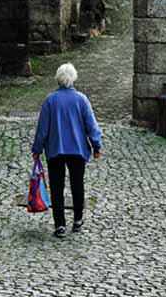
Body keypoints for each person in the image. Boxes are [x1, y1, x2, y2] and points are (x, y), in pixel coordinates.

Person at [32, 62, 102, 239]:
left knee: (57, 187)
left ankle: (60, 225)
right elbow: (91, 126)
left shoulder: (50, 100)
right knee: (77, 185)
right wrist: (96, 146)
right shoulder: (81, 99)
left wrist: (37, 148)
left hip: (55, 149)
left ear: (58, 78)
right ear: (73, 78)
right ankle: (77, 220)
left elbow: (43, 129)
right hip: (77, 150)